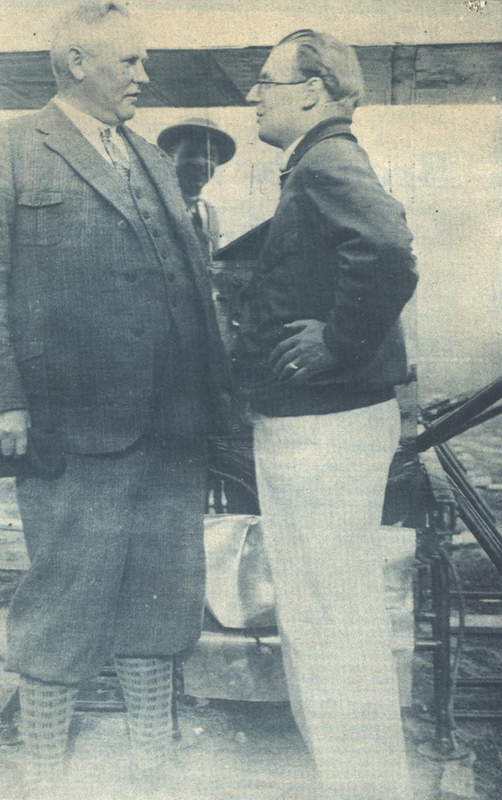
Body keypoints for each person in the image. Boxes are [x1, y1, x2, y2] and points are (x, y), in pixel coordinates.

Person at [0, 3, 229, 797]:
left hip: (175, 426)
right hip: (73, 424)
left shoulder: (150, 156)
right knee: (64, 598)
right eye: (130, 62)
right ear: (76, 61)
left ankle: (151, 770)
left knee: (164, 598)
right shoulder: (5, 148)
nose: (145, 75)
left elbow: (193, 292)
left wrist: (217, 406)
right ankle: (43, 774)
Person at [238, 29, 419, 800]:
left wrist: (340, 343)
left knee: (328, 619)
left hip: (322, 427)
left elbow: (386, 246)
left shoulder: (326, 160)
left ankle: (366, 786)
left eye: (266, 82)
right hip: (327, 423)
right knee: (324, 613)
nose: (254, 94)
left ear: (311, 90)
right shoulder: (317, 161)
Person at [157, 117, 235, 261]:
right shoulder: (155, 207)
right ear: (170, 157)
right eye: (191, 154)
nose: (200, 163)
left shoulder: (208, 213)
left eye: (210, 156)